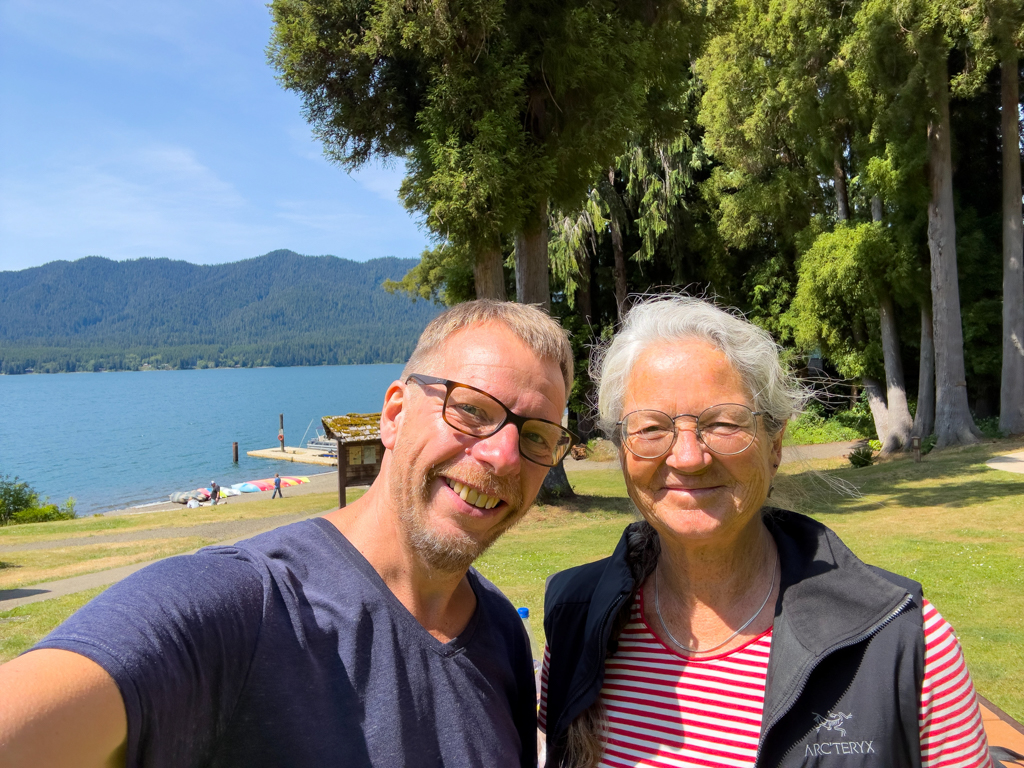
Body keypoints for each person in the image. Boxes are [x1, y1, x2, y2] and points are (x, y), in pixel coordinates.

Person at [0, 299, 577, 768]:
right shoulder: (242, 604)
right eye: (472, 409)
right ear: (395, 415)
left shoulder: (500, 631)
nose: (503, 456)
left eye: (537, 437)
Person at [539, 295, 992, 768]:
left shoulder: (900, 638)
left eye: (723, 423)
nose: (688, 457)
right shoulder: (576, 618)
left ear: (774, 445)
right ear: (623, 451)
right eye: (651, 427)